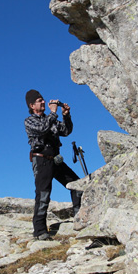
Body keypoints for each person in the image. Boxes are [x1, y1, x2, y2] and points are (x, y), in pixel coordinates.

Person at [24, 89, 83, 241]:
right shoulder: (29, 121)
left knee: (76, 185)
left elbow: (66, 131)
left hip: (55, 159)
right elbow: (42, 129)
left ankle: (80, 219)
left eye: (43, 99)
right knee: (43, 194)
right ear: (31, 105)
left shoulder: (52, 118)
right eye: (39, 101)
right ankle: (40, 231)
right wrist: (53, 112)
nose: (43, 102)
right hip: (41, 160)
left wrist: (66, 115)